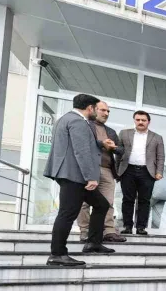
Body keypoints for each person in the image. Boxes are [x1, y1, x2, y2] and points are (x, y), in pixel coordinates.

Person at [44, 94, 115, 266]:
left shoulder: (67, 119)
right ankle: (57, 254)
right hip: (74, 176)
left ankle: (93, 243)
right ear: (90, 108)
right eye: (96, 109)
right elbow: (81, 151)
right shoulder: (78, 121)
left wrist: (100, 144)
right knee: (67, 213)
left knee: (101, 204)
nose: (98, 113)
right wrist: (90, 176)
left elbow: (78, 144)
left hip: (73, 175)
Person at [76, 101, 126, 243]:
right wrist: (101, 143)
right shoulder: (84, 126)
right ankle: (85, 231)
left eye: (108, 111)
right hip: (88, 169)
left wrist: (113, 148)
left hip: (107, 169)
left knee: (108, 202)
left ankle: (109, 231)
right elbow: (82, 145)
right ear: (93, 110)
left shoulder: (110, 131)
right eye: (103, 110)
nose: (106, 114)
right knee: (84, 202)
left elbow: (121, 151)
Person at [117, 110, 165, 235]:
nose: (140, 122)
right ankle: (127, 226)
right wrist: (117, 171)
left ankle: (141, 227)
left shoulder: (157, 137)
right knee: (128, 199)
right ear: (134, 120)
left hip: (147, 172)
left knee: (145, 200)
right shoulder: (124, 133)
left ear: (148, 122)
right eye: (138, 119)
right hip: (128, 170)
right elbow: (118, 154)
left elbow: (160, 156)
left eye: (143, 120)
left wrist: (159, 171)